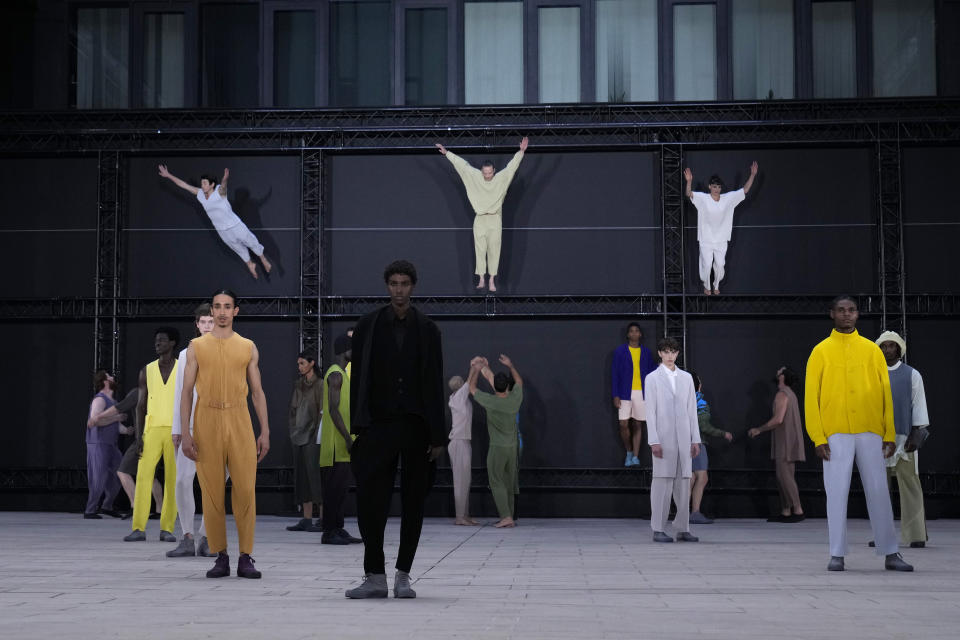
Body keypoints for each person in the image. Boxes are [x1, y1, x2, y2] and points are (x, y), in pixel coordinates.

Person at [345, 260, 445, 599]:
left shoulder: (428, 329)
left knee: (414, 501)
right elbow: (358, 379)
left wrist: (437, 436)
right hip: (378, 424)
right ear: (387, 286)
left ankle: (404, 575)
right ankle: (375, 576)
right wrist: (357, 425)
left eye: (404, 283)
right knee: (371, 502)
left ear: (413, 286)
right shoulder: (368, 326)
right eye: (394, 283)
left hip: (416, 426)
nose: (399, 289)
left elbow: (434, 382)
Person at [804, 295, 912, 572]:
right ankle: (836, 553)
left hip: (870, 429)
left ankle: (890, 552)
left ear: (857, 314)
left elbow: (885, 394)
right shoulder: (820, 351)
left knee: (878, 490)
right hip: (835, 432)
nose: (847, 315)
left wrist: (889, 432)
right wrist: (818, 436)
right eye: (841, 310)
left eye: (851, 310)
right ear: (832, 314)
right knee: (836, 492)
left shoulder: (871, 351)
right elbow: (810, 398)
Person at [179, 290, 271, 579]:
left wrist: (265, 431)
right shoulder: (196, 346)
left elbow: (257, 392)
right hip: (206, 419)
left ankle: (246, 556)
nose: (221, 312)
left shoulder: (247, 347)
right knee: (212, 493)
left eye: (226, 307)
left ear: (235, 311)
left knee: (245, 490)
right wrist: (185, 432)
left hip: (239, 418)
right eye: (217, 306)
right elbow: (185, 392)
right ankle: (221, 556)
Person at [435, 137, 529, 292]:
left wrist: (521, 152)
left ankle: (492, 279)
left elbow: (512, 167)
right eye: (484, 173)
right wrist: (447, 153)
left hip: (494, 218)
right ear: (481, 171)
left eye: (489, 173)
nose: (487, 176)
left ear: (494, 171)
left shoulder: (500, 179)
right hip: (479, 219)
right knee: (480, 249)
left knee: (494, 249)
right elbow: (462, 165)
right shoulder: (475, 176)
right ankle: (481, 278)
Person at [157, 165, 272, 279]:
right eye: (202, 183)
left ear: (212, 185)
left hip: (235, 225)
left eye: (205, 183)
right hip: (222, 230)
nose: (202, 185)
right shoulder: (200, 194)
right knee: (237, 248)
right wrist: (168, 175)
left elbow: (224, 185)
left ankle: (263, 259)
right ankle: (250, 264)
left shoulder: (219, 192)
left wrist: (225, 178)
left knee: (250, 241)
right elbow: (184, 185)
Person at [167, 304, 218, 558]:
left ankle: (206, 537)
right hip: (190, 427)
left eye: (212, 321)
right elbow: (180, 391)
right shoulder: (187, 354)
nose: (208, 326)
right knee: (181, 481)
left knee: (214, 485)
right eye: (204, 322)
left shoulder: (225, 350)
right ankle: (187, 537)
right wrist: (178, 427)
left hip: (216, 426)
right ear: (197, 324)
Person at [123, 327, 180, 543]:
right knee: (144, 477)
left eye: (162, 340)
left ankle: (167, 529)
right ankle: (138, 527)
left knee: (173, 480)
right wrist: (139, 436)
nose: (157, 344)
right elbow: (140, 406)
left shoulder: (182, 368)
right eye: (156, 340)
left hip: (176, 431)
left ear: (172, 343)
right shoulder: (146, 370)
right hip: (152, 430)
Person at [875, 330, 929, 548]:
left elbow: (919, 403)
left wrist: (917, 432)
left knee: (910, 486)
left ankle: (916, 534)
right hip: (877, 439)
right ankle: (882, 535)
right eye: (884, 346)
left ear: (899, 349)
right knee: (878, 489)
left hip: (904, 437)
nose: (888, 349)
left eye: (892, 346)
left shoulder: (912, 374)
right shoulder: (873, 374)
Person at [645, 337, 701, 543]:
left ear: (678, 354)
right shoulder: (652, 378)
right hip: (664, 437)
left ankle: (682, 528)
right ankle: (658, 528)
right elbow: (650, 411)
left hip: (684, 438)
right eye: (666, 352)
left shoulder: (686, 378)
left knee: (684, 483)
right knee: (662, 482)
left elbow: (691, 410)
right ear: (660, 353)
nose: (670, 356)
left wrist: (695, 439)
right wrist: (654, 440)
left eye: (673, 352)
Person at [685, 162, 758, 295]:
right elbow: (689, 193)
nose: (717, 189)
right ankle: (707, 286)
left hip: (721, 239)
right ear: (709, 187)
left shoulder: (728, 198)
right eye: (714, 187)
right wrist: (689, 181)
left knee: (720, 264)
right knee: (706, 265)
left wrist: (752, 175)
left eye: (718, 187)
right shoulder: (703, 199)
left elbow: (745, 190)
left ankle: (716, 284)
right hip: (706, 239)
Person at [91, 387, 162, 520]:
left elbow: (118, 408)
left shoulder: (138, 392)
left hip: (143, 439)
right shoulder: (159, 393)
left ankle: (137, 507)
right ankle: (160, 510)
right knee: (151, 475)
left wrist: (99, 416)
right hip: (158, 437)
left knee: (122, 471)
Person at [318, 334, 362, 545]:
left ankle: (338, 527)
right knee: (333, 491)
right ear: (345, 350)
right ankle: (328, 532)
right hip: (336, 444)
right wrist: (346, 437)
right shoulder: (335, 375)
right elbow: (334, 411)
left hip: (344, 443)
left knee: (341, 489)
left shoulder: (343, 375)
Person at [470, 355, 524, 529]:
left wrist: (476, 370)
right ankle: (509, 515)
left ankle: (506, 516)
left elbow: (472, 388)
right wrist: (511, 365)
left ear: (495, 387)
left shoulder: (491, 402)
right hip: (512, 447)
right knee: (508, 481)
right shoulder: (514, 399)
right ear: (508, 386)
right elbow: (519, 381)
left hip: (497, 448)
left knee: (496, 480)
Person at [748, 366, 806, 523]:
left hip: (785, 440)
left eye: (780, 370)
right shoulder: (790, 394)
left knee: (784, 475)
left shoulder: (782, 394)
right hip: (787, 439)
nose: (777, 371)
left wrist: (759, 429)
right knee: (784, 476)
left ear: (782, 376)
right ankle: (786, 510)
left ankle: (798, 510)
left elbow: (778, 419)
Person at [286, 349, 324, 533]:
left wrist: (317, 435)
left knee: (315, 477)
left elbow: (322, 412)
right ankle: (307, 518)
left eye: (302, 363)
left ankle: (323, 518)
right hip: (298, 435)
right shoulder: (299, 384)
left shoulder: (320, 385)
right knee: (302, 478)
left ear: (312, 363)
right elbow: (293, 410)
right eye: (298, 364)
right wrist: (293, 429)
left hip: (313, 436)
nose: (299, 367)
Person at [687, 372, 733, 524]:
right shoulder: (700, 403)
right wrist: (722, 433)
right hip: (697, 443)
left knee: (692, 477)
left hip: (686, 442)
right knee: (702, 477)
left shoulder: (682, 401)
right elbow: (703, 426)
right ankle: (694, 512)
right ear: (698, 385)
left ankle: (684, 513)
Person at [611, 322, 657, 467]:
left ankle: (635, 457)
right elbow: (615, 374)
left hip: (642, 393)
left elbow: (652, 371)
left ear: (640, 334)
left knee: (638, 424)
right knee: (623, 424)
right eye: (631, 331)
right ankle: (629, 451)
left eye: (637, 330)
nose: (634, 333)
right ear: (628, 334)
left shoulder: (646, 352)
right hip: (624, 392)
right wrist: (615, 395)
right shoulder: (619, 351)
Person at [83, 371, 126, 519]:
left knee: (121, 472)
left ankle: (107, 506)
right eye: (110, 376)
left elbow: (117, 427)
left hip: (110, 445)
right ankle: (90, 510)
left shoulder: (113, 402)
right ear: (105, 381)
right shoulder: (100, 400)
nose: (113, 378)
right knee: (98, 477)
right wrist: (116, 418)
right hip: (98, 443)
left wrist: (128, 430)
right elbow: (95, 421)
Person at [448, 368, 478, 526]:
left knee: (465, 480)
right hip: (458, 442)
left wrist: (476, 370)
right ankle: (460, 516)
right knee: (460, 481)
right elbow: (469, 383)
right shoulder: (458, 397)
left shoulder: (462, 399)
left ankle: (465, 514)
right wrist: (474, 367)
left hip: (464, 441)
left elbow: (469, 384)